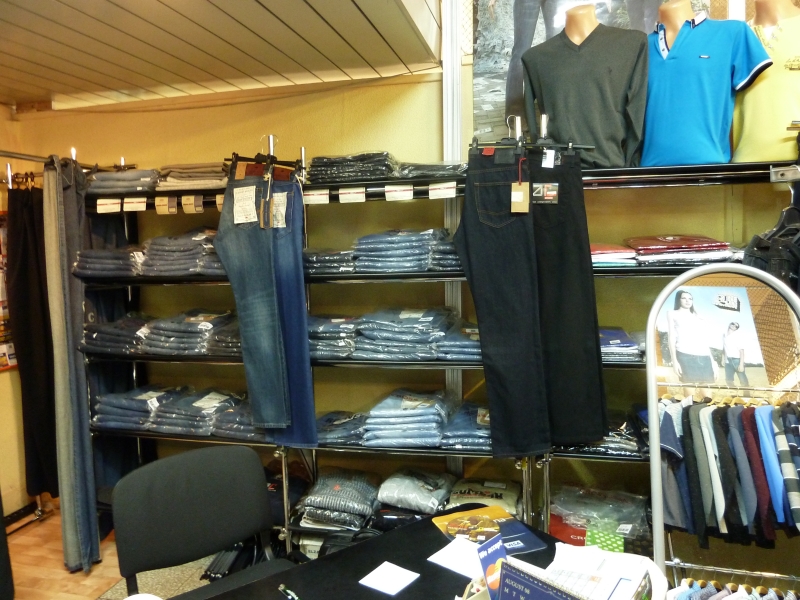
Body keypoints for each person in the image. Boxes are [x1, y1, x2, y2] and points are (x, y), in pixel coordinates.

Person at [667, 289, 718, 398]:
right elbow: (671, 337)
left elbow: (703, 339)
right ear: (679, 300)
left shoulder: (698, 317)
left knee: (707, 394)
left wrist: (713, 361)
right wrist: (674, 361)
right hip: (685, 355)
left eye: (690, 298)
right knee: (690, 395)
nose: (687, 301)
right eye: (684, 298)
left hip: (704, 356)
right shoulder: (672, 313)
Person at [723, 321, 750, 388]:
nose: (734, 325)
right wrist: (723, 359)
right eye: (733, 324)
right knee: (728, 380)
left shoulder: (737, 337)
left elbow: (741, 351)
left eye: (736, 326)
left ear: (736, 329)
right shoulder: (724, 336)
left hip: (737, 361)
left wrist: (741, 364)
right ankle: (734, 392)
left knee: (743, 381)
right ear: (729, 324)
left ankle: (746, 394)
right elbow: (724, 348)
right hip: (728, 361)